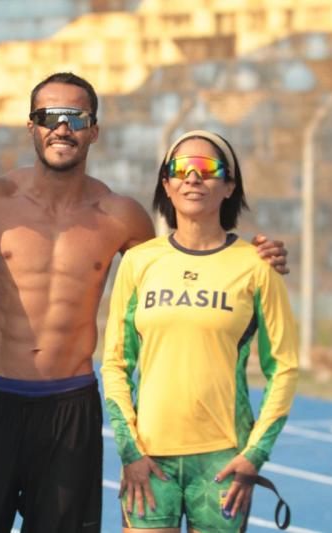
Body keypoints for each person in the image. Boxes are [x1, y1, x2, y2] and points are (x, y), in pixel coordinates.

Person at [0, 72, 289, 533]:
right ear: (31, 126)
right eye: (49, 116)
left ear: (94, 130)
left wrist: (252, 253)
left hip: (69, 408)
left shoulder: (122, 216)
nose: (62, 127)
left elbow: (185, 258)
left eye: (76, 117)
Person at [101, 130, 299, 532]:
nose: (193, 177)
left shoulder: (258, 266)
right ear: (166, 184)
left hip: (223, 461)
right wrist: (130, 451)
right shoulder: (139, 263)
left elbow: (284, 368)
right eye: (180, 169)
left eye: (208, 169)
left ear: (229, 186)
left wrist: (254, 455)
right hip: (149, 461)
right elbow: (116, 364)